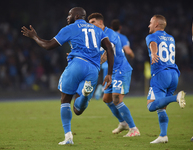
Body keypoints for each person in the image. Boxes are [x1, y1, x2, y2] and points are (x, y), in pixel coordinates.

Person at [21, 7, 114, 145]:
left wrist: (34, 36)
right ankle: (84, 95)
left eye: (69, 15)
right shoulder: (98, 30)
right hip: (94, 69)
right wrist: (110, 73)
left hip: (77, 65)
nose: (67, 17)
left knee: (65, 100)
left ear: (76, 16)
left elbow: (48, 45)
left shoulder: (69, 28)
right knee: (78, 110)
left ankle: (68, 137)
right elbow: (110, 49)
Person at [88, 13, 140, 137]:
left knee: (117, 99)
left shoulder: (109, 34)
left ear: (100, 22)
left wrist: (96, 63)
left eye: (92, 22)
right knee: (107, 99)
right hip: (113, 71)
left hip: (121, 70)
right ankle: (123, 123)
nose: (90, 25)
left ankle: (134, 129)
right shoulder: (96, 36)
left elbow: (107, 54)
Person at [145, 14, 186, 144]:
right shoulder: (171, 38)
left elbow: (153, 44)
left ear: (156, 24)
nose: (149, 25)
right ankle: (163, 135)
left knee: (151, 106)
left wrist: (153, 53)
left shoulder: (151, 36)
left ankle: (176, 98)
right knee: (162, 107)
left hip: (160, 74)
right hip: (174, 74)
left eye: (151, 22)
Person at [94, 19, 135, 100]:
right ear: (120, 27)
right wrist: (132, 56)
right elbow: (128, 50)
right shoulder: (122, 37)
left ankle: (101, 88)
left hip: (105, 65)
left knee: (107, 87)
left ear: (111, 27)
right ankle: (102, 89)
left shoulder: (103, 36)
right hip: (116, 66)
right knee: (114, 93)